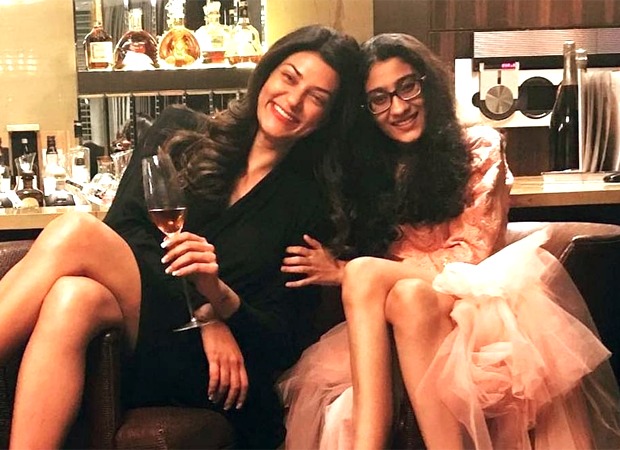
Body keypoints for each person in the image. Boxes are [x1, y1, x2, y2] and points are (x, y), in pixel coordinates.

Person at [0, 24, 361, 449]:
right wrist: (205, 315)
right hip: (150, 336)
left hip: (219, 371)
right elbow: (124, 231)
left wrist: (220, 300)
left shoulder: (311, 204)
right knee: (73, 298)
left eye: (316, 98)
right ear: (267, 73)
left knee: (75, 231)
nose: (294, 100)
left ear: (327, 117)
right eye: (289, 77)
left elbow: (282, 340)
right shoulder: (180, 134)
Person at [279, 33, 620, 449]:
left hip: (474, 300)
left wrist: (347, 271)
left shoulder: (477, 146)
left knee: (368, 273)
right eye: (379, 98)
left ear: (427, 83)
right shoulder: (371, 167)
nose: (398, 107)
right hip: (401, 310)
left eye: (407, 86)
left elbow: (471, 257)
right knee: (406, 297)